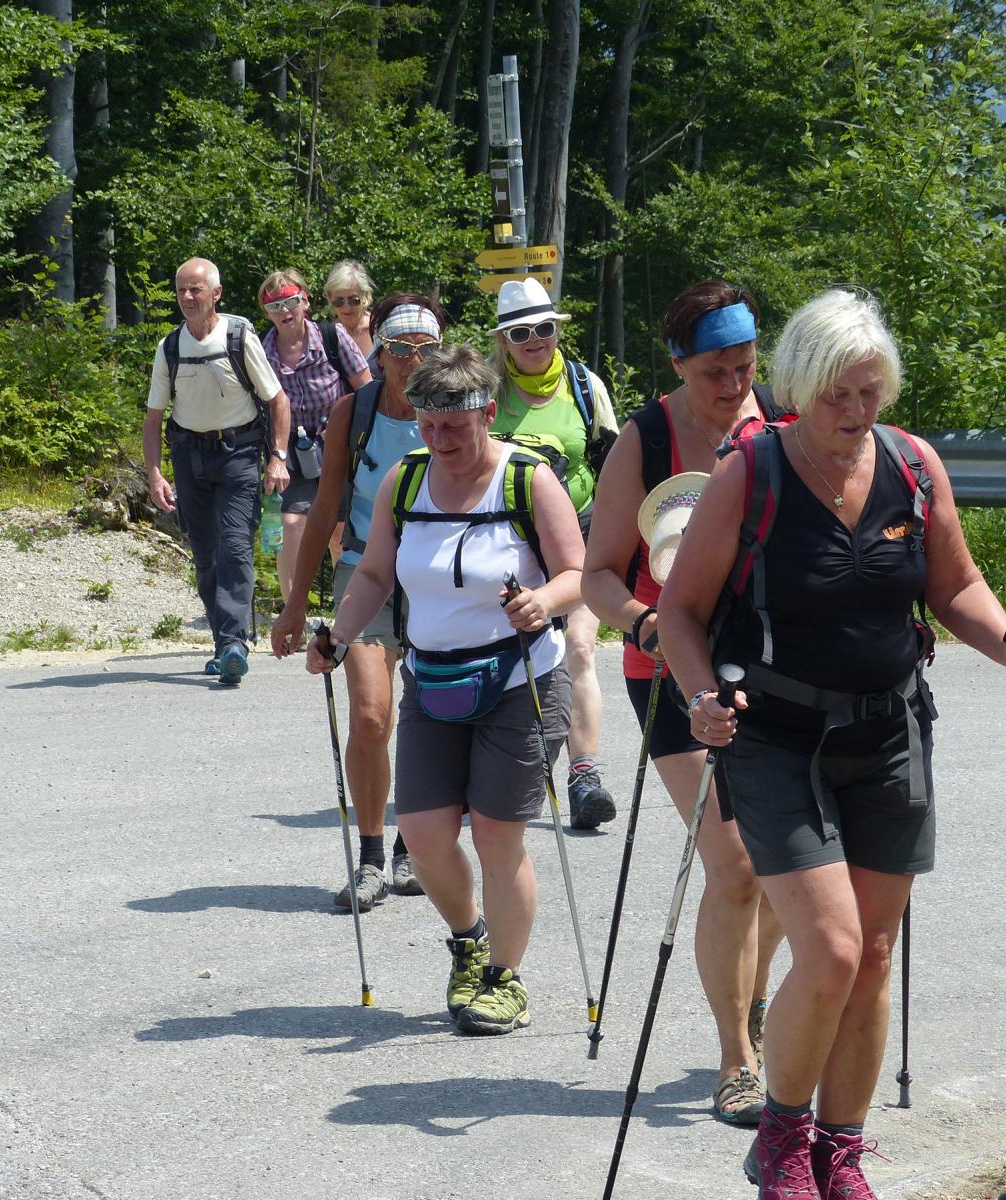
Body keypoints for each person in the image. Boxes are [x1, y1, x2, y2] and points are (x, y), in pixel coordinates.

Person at [655, 288, 1006, 1199]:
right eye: (837, 393)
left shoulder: (912, 466)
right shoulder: (751, 474)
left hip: (888, 732)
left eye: (870, 391)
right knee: (832, 950)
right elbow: (679, 611)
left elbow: (956, 586)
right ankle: (781, 1140)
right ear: (800, 386)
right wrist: (701, 694)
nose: (855, 410)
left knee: (873, 955)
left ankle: (840, 1152)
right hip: (773, 737)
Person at [308, 344, 585, 1036]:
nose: (441, 440)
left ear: (488, 414)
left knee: (496, 834)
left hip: (520, 677)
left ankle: (505, 980)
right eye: (428, 426)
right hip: (432, 679)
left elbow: (579, 574)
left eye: (455, 426)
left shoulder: (527, 480)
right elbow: (375, 574)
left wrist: (542, 603)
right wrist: (338, 636)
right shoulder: (405, 481)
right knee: (425, 835)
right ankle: (470, 941)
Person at [582, 281, 787, 1126]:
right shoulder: (646, 438)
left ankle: (755, 998)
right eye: (714, 372)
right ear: (676, 363)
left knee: (788, 862)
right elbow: (598, 574)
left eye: (744, 366)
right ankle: (736, 1058)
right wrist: (646, 624)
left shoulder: (782, 422)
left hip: (775, 666)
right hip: (669, 669)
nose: (734, 385)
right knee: (735, 863)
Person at [272, 294, 447, 910]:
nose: (412, 361)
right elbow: (325, 509)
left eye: (425, 349)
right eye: (399, 348)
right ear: (381, 353)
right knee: (372, 717)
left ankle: (410, 848)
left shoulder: (454, 411)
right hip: (362, 571)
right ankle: (372, 859)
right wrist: (295, 606)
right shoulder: (356, 411)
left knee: (433, 717)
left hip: (437, 576)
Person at [489, 277, 621, 830]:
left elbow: (616, 462)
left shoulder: (585, 386)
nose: (535, 340)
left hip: (583, 536)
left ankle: (584, 776)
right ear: (504, 340)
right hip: (512, 543)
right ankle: (504, 770)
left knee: (580, 650)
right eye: (521, 332)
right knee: (516, 656)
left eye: (544, 328)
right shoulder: (488, 391)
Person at [143, 257, 290, 686]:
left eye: (196, 289)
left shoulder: (239, 336)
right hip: (189, 457)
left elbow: (278, 400)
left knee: (235, 547)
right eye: (182, 290)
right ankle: (223, 644)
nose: (188, 297)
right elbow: (153, 418)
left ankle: (233, 645)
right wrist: (155, 473)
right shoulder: (170, 347)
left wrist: (278, 458)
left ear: (216, 293)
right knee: (206, 554)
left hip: (238, 455)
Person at [258, 268, 375, 607]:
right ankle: (293, 610)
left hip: (337, 446)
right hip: (287, 453)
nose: (284, 311)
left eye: (291, 301)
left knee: (339, 533)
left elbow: (366, 390)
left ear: (305, 302)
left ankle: (346, 611)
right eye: (274, 306)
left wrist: (344, 423)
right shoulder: (262, 348)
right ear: (266, 312)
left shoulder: (331, 337)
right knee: (290, 525)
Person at [322, 259, 377, 369]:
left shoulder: (379, 328)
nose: (346, 308)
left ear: (365, 296)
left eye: (353, 300)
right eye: (339, 301)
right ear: (329, 299)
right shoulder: (327, 337)